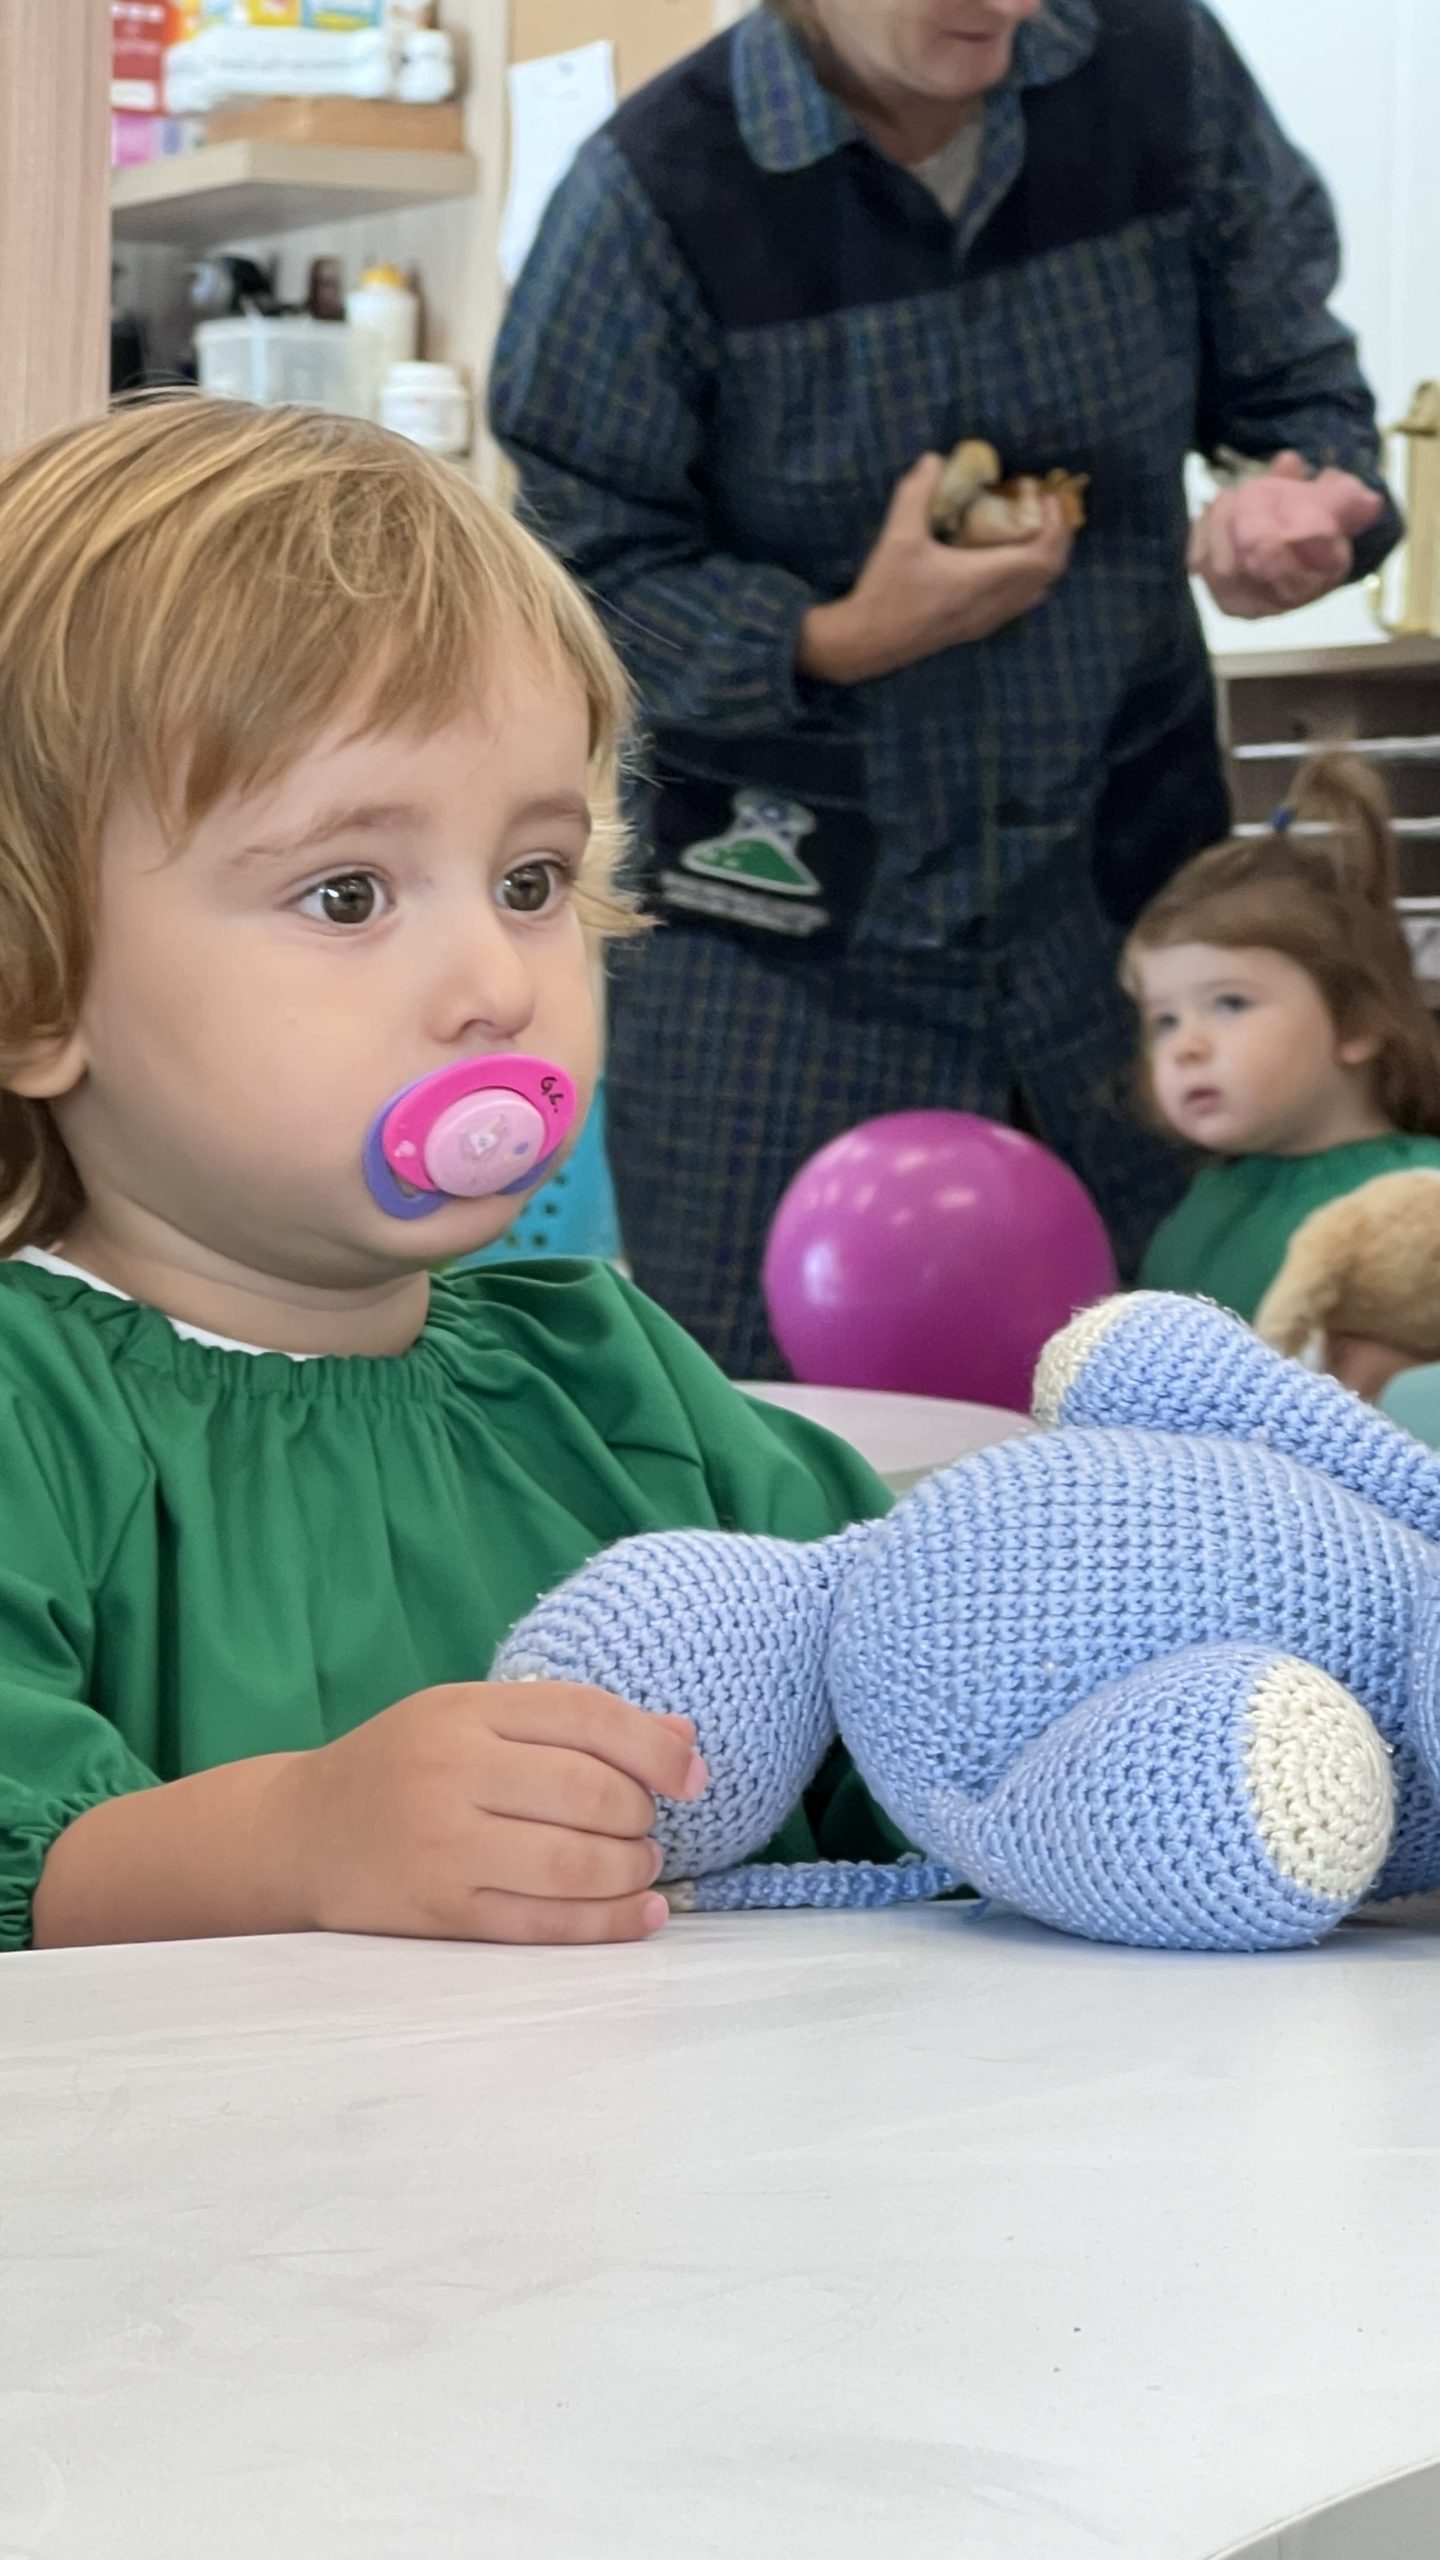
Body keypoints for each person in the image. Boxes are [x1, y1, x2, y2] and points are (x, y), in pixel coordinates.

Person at [0, 396, 906, 1959]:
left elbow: (910, 1679)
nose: (497, 982)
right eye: (348, 895)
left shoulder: (614, 1379)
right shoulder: (30, 1417)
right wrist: (298, 1841)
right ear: (35, 993)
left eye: (531, 880)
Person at [489, 0, 1401, 1378]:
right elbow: (572, 577)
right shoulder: (650, 199)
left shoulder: (1161, 74)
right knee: (775, 1421)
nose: (1013, 8)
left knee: (1176, 1392)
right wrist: (834, 635)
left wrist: (1303, 508)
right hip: (787, 957)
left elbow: (1302, 396)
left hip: (1123, 917)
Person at [1126, 756, 1440, 1325]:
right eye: (1164, 1020)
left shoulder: (1421, 1197)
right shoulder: (1201, 1208)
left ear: (1356, 1023)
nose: (1185, 1046)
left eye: (1230, 1003)